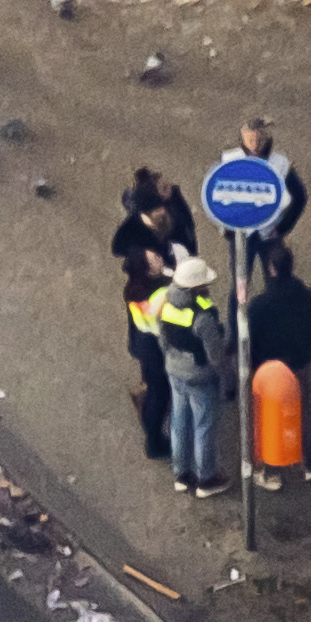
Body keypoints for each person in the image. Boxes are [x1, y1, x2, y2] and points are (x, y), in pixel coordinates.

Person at [110, 169, 191, 463]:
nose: (163, 209)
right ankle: (154, 438)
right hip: (156, 344)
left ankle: (151, 415)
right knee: (159, 389)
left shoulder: (138, 283)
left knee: (153, 383)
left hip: (147, 341)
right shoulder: (151, 290)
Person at [143, 253, 226, 494]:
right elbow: (216, 356)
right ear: (197, 286)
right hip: (199, 377)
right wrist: (227, 379)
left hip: (174, 372)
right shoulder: (203, 315)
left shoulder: (165, 302)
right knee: (204, 426)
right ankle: (207, 479)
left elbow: (163, 340)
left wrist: (172, 361)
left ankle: (182, 474)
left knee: (179, 422)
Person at [244, 242, 311, 487]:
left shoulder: (259, 306)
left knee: (270, 418)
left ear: (271, 269)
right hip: (299, 363)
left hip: (270, 371)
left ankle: (273, 470)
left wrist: (254, 365)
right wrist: (305, 350)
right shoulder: (307, 296)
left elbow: (251, 340)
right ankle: (309, 464)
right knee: (304, 411)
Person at [235, 116, 311, 249]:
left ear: (267, 139)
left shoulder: (281, 164)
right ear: (243, 140)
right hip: (241, 232)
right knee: (239, 269)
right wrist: (226, 227)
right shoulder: (231, 161)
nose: (255, 145)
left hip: (270, 232)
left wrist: (282, 227)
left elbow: (299, 197)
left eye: (259, 140)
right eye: (250, 140)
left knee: (277, 268)